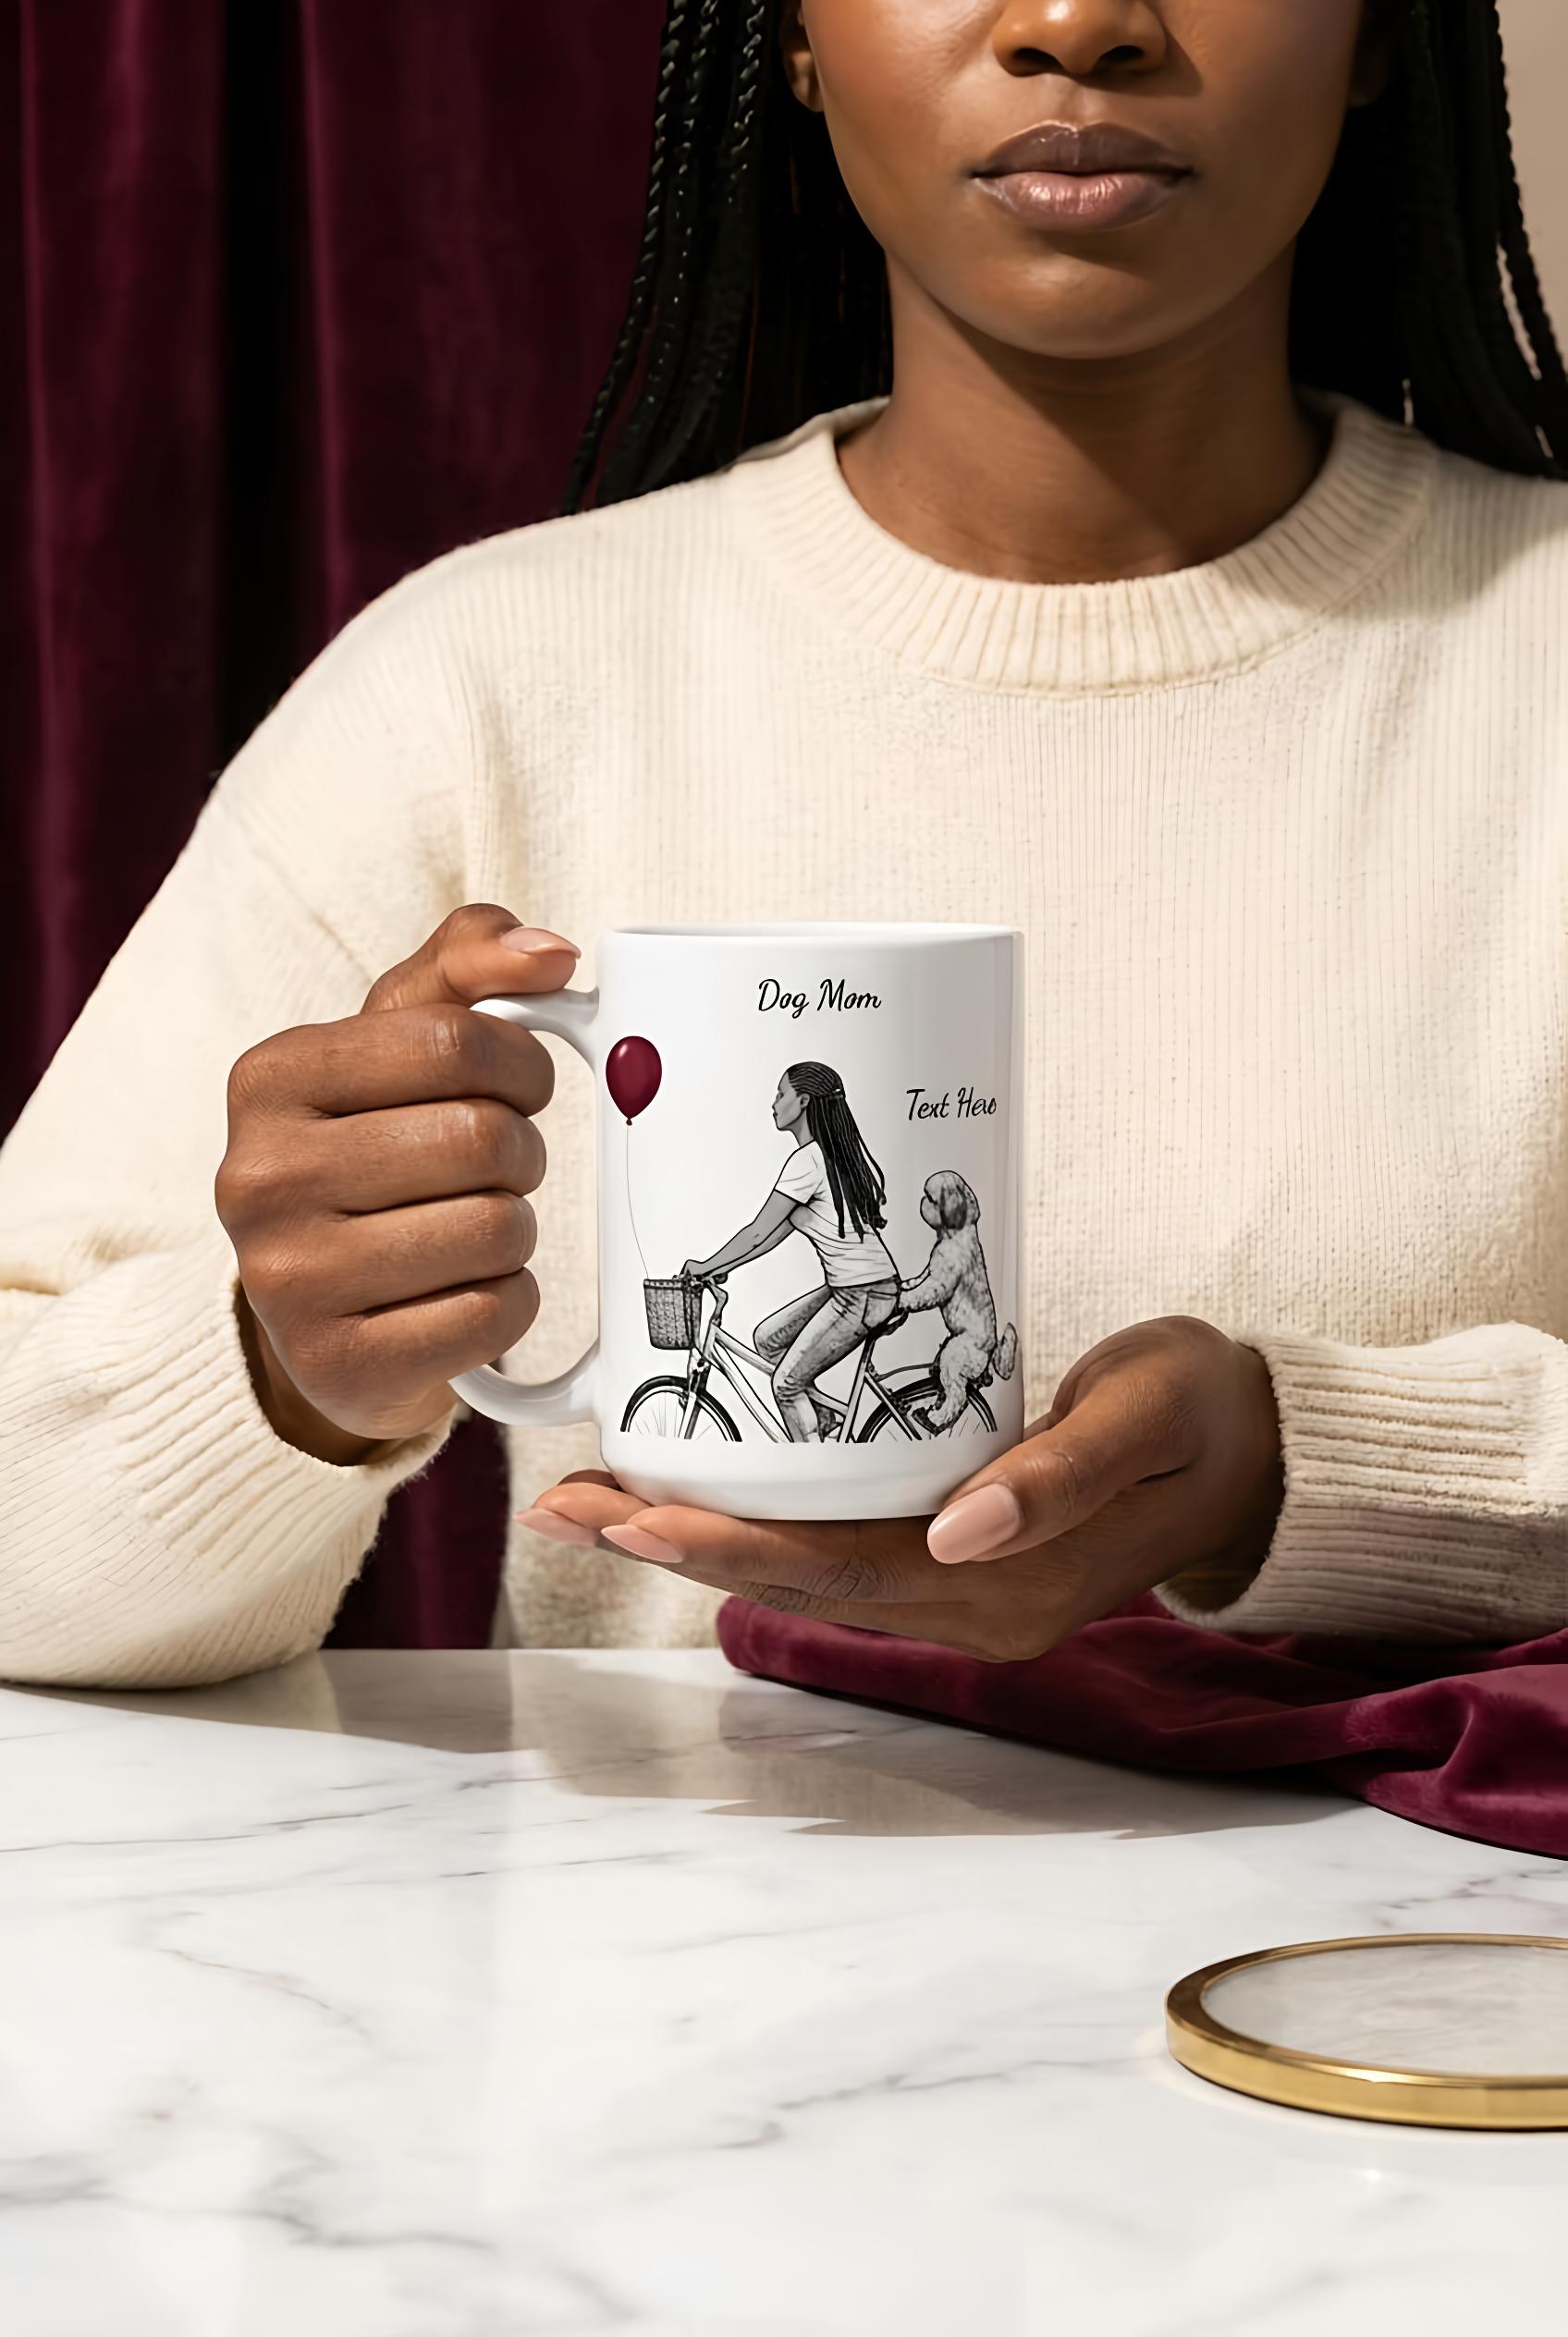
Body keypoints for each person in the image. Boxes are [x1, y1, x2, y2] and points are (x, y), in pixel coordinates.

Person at [2, 0, 1565, 1685]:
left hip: (1401, 1951)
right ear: (793, 35)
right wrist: (272, 1369)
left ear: (1379, 32)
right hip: (663, 1931)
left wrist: (1310, 1466)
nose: (1079, 23)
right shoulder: (478, 684)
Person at [680, 1063, 900, 1441]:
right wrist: (722, 1266)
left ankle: (816, 1468)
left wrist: (703, 1266)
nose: (774, 1102)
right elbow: (770, 1238)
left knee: (785, 1384)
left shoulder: (808, 1162)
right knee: (768, 1339)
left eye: (780, 1094)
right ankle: (819, 1418)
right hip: (862, 1287)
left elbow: (756, 1232)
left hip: (862, 1294)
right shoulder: (825, 1158)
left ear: (802, 1101)